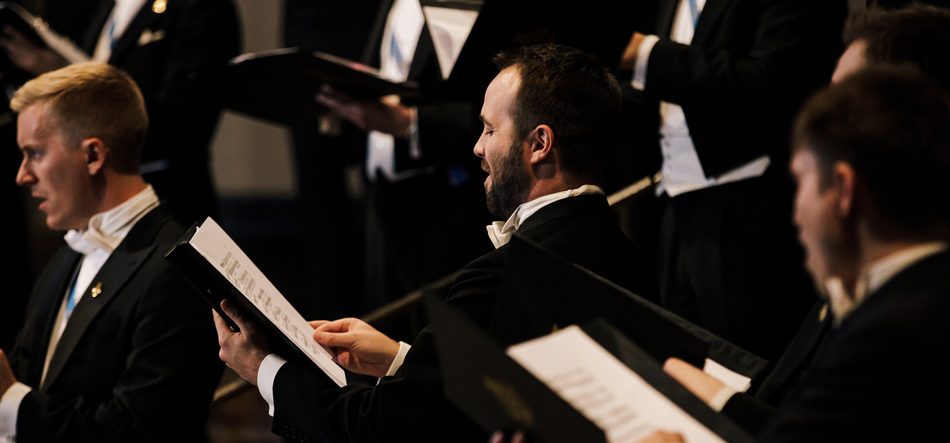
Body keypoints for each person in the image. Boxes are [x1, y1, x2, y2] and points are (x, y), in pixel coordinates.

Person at [215, 44, 657, 442]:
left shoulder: (501, 276)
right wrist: (399, 358)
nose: (477, 147)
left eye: (488, 129)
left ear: (539, 143)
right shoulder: (627, 256)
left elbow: (374, 429)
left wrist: (263, 369)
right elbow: (506, 390)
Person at [661, 66, 950, 441]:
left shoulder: (886, 340)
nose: (796, 213)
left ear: (844, 190)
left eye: (801, 180)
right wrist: (724, 399)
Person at [0, 62, 222, 443]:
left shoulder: (177, 270)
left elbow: (139, 430)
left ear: (92, 156)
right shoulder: (66, 256)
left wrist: (9, 402)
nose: (22, 175)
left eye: (34, 153)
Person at [616, 0, 848, 363]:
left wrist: (645, 52)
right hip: (675, 206)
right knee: (680, 361)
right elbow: (658, 93)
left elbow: (774, 82)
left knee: (743, 366)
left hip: (751, 211)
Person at [314, 0, 491, 313]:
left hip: (447, 202)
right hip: (381, 192)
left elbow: (491, 106)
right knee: (387, 326)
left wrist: (409, 122)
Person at [1, 0, 241, 225]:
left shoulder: (199, 6)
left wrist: (55, 69)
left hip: (166, 198)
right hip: (96, 200)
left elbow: (183, 119)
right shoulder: (107, 7)